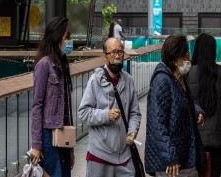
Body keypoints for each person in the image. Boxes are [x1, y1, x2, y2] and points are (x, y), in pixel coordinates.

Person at [77, 36, 142, 177]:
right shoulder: (95, 80)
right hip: (100, 155)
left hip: (125, 155)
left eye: (120, 52)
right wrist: (105, 115)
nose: (117, 56)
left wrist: (132, 130)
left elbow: (134, 113)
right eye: (113, 52)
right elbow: (83, 112)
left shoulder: (129, 80)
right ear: (105, 57)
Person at [146, 34, 207, 177]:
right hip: (171, 165)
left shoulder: (180, 78)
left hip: (186, 156)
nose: (189, 58)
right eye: (185, 55)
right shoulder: (162, 82)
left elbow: (185, 102)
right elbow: (157, 124)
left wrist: (198, 112)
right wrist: (170, 157)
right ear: (173, 59)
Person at [29, 16, 76, 177]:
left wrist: (71, 149)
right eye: (67, 37)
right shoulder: (44, 65)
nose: (70, 41)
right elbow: (37, 106)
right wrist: (37, 144)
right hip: (48, 138)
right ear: (57, 38)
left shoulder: (63, 64)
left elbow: (67, 109)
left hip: (63, 135)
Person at [188, 34, 221, 177]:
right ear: (213, 50)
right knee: (215, 173)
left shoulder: (188, 74)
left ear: (196, 49)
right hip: (219, 139)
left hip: (195, 139)